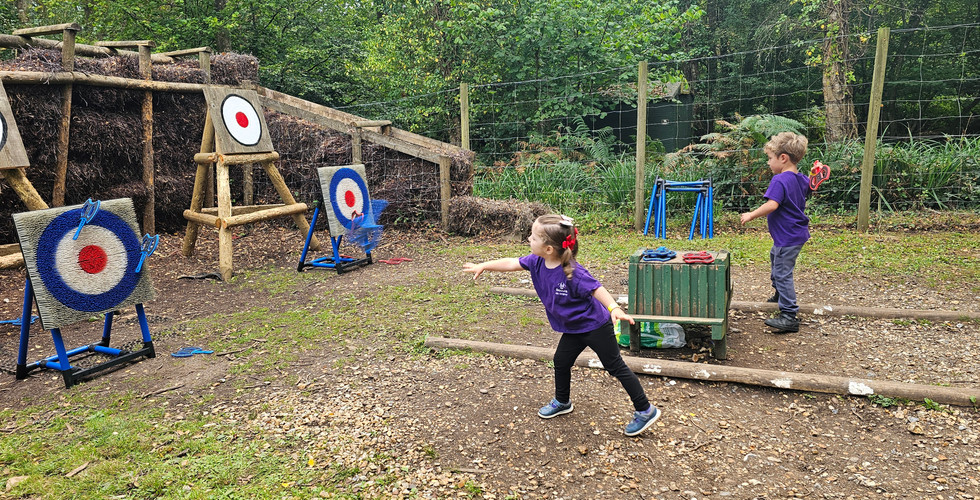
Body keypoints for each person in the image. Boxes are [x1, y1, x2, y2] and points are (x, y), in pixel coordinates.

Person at [463, 214, 661, 437]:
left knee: (615, 366)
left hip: (594, 327)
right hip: (573, 328)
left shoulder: (573, 272)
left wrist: (614, 308)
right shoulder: (536, 261)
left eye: (534, 236)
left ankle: (645, 409)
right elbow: (511, 262)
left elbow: (597, 289)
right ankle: (563, 401)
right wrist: (484, 265)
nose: (529, 238)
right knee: (561, 361)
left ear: (548, 248)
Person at [739, 131, 811, 333]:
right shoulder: (800, 178)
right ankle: (780, 294)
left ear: (783, 158)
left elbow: (772, 205)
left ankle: (789, 315)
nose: (768, 163)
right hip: (794, 234)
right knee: (775, 259)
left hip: (788, 236)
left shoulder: (779, 180)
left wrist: (751, 215)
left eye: (770, 159)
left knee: (782, 272)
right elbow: (809, 188)